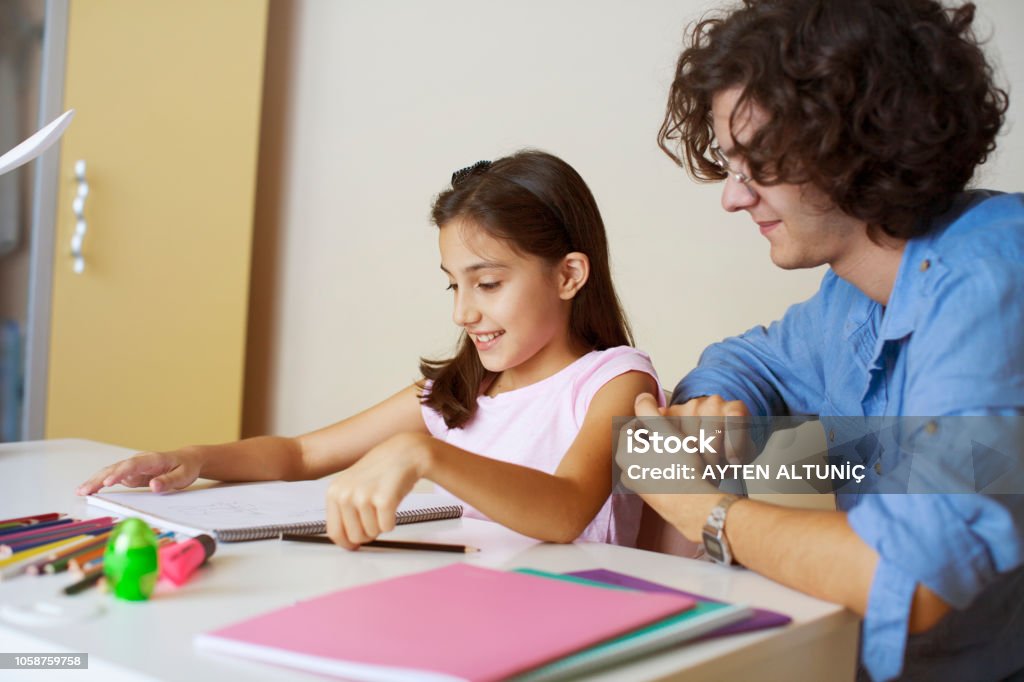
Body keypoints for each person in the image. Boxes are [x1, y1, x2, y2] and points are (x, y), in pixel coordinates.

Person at [630, 1, 1024, 680]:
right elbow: (747, 359)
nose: (733, 198)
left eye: (760, 164)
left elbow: (913, 577)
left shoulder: (990, 283)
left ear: (857, 142)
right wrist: (717, 403)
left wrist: (703, 511)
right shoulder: (853, 291)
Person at [77, 150, 663, 549]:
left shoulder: (615, 382)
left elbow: (564, 513)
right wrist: (197, 458)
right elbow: (300, 455)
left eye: (487, 284)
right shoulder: (459, 393)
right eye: (453, 284)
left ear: (568, 276)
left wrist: (427, 454)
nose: (463, 312)